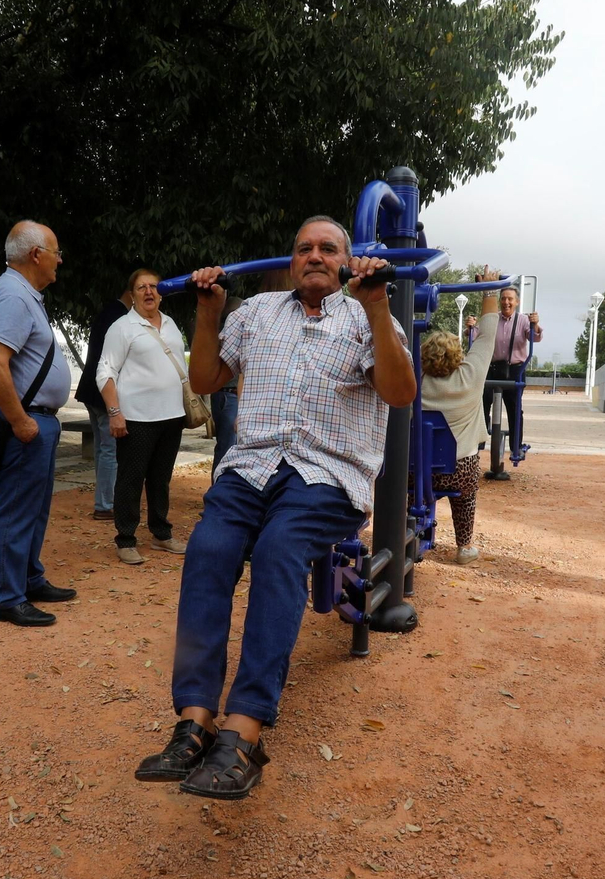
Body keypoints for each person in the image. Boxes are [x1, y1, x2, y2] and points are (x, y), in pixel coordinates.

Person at [134, 216, 415, 801]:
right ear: (291, 260)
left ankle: (246, 729)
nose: (314, 255)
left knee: (279, 549)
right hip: (252, 467)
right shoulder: (255, 313)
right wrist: (209, 312)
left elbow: (399, 392)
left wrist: (378, 307)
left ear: (346, 260)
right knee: (208, 550)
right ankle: (194, 720)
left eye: (328, 248)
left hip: (327, 475)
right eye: (304, 247)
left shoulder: (367, 314)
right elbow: (208, 377)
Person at [0, 221, 76, 626]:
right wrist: (20, 422)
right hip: (26, 424)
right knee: (17, 509)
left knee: (33, 509)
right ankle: (8, 597)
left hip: (37, 421)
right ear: (36, 255)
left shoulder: (23, 296)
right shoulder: (14, 297)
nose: (59, 260)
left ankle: (29, 579)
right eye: (55, 251)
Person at [96, 269, 189, 565]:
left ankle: (161, 533)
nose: (149, 292)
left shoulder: (171, 323)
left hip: (172, 416)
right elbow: (105, 371)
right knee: (130, 480)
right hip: (136, 418)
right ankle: (125, 539)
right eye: (141, 287)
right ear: (132, 294)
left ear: (161, 292)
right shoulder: (122, 327)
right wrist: (115, 412)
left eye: (153, 287)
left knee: (161, 480)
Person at [422, 274, 500, 564]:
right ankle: (464, 546)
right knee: (465, 492)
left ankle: (405, 529)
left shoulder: (414, 381)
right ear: (458, 355)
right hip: (458, 469)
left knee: (404, 486)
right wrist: (489, 289)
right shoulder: (470, 375)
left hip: (416, 471)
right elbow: (488, 334)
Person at [75, 277, 136, 521]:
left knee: (103, 449)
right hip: (103, 392)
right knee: (109, 450)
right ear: (131, 293)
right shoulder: (121, 318)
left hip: (91, 389)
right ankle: (105, 504)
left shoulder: (107, 312)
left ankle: (103, 500)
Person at [467, 287, 540, 457]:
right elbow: (476, 334)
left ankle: (516, 447)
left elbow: (534, 337)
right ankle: (478, 444)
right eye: (503, 299)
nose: (506, 302)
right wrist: (470, 327)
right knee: (482, 402)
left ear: (517, 302)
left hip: (515, 369)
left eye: (510, 299)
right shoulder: (492, 319)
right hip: (491, 368)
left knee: (515, 407)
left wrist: (535, 324)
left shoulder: (522, 320)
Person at [208, 295, 244, 471]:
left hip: (232, 396)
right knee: (227, 448)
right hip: (227, 395)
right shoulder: (225, 338)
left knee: (234, 447)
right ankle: (219, 491)